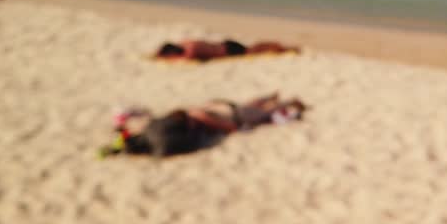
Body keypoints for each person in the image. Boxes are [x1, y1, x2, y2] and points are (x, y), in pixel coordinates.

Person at [103, 92, 307, 158]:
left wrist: (232, 129)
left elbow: (204, 124)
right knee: (252, 108)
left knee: (259, 113)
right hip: (223, 109)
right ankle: (273, 98)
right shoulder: (153, 127)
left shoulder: (161, 147)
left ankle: (284, 101)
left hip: (230, 115)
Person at [153, 39, 300, 62]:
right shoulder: (186, 42)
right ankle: (282, 47)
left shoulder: (190, 50)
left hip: (228, 51)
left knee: (254, 51)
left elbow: (185, 58)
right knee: (253, 48)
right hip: (226, 44)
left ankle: (283, 48)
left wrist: (166, 58)